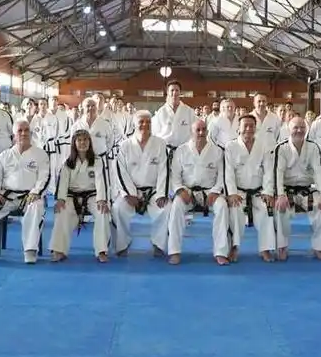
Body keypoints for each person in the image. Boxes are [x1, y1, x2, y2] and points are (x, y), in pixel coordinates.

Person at [0, 120, 50, 265]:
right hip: (7, 198)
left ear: (31, 134)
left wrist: (36, 192)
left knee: (36, 206)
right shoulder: (5, 155)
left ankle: (30, 250)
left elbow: (45, 177)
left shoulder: (40, 154)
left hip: (30, 197)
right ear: (13, 136)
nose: (23, 133)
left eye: (26, 130)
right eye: (20, 131)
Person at [268, 116, 321, 261]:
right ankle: (282, 246)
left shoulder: (313, 147)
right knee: (279, 208)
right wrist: (280, 194)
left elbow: (319, 172)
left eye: (302, 127)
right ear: (288, 129)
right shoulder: (281, 147)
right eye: (295, 127)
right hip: (287, 190)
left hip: (307, 190)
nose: (299, 130)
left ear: (307, 129)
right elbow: (277, 172)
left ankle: (319, 247)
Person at [167, 119, 229, 265]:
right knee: (175, 207)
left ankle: (220, 252)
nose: (201, 133)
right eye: (198, 130)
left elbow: (222, 177)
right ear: (191, 132)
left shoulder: (217, 151)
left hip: (210, 192)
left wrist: (215, 191)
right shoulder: (181, 150)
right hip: (187, 192)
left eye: (203, 130)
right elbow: (175, 176)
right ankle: (174, 251)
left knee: (222, 207)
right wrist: (180, 190)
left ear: (207, 131)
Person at [111, 110, 170, 256]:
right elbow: (120, 171)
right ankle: (122, 244)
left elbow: (165, 170)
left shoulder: (160, 144)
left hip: (154, 190)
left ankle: (158, 244)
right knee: (118, 208)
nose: (145, 125)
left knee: (166, 209)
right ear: (134, 124)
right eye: (141, 122)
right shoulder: (125, 145)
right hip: (131, 191)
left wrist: (162, 193)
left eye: (148, 122)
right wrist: (129, 194)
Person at [49, 129, 111, 262]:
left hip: (93, 196)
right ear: (74, 143)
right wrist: (60, 199)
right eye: (79, 140)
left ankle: (101, 250)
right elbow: (63, 183)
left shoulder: (97, 161)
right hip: (72, 196)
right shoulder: (68, 163)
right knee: (62, 211)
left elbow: (101, 181)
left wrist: (102, 200)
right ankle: (59, 249)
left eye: (85, 140)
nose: (83, 143)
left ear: (90, 142)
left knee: (102, 212)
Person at [225, 114, 276, 263]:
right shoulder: (231, 146)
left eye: (251, 126)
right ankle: (234, 247)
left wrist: (267, 192)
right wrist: (232, 193)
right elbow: (229, 173)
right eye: (245, 126)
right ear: (238, 129)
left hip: (258, 191)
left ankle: (265, 249)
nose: (248, 128)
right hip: (239, 191)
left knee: (268, 210)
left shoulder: (263, 146)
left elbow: (268, 171)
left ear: (255, 128)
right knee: (235, 211)